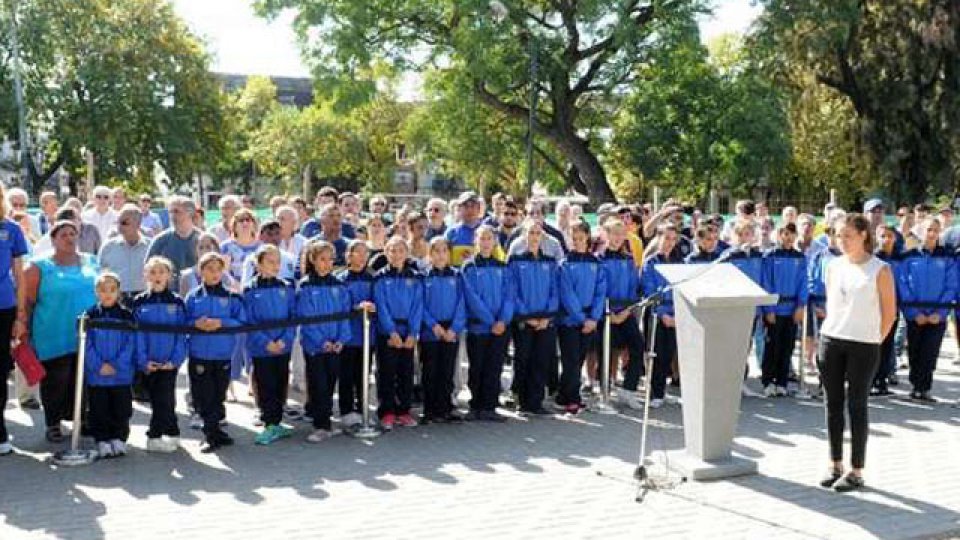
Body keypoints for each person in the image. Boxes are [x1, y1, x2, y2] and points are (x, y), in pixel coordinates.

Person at [817, 213, 896, 492]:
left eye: (848, 235)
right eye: (838, 235)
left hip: (863, 344)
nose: (842, 241)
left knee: (857, 405)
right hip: (831, 339)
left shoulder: (880, 269)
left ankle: (856, 470)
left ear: (863, 235)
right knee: (832, 403)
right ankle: (835, 463)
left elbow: (889, 314)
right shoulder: (833, 266)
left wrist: (874, 340)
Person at [21, 220, 98, 443]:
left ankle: (81, 419)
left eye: (73, 234)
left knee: (83, 379)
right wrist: (23, 328)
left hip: (87, 333)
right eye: (63, 234)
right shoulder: (38, 267)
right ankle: (53, 424)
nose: (69, 238)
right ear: (53, 239)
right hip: (53, 332)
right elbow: (27, 302)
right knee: (57, 380)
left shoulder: (91, 261)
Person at [185, 252, 246, 453]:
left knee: (219, 394)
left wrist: (221, 323)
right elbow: (183, 322)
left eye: (218, 269)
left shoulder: (231, 297)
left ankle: (217, 431)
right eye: (209, 269)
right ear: (201, 271)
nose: (214, 273)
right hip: (199, 354)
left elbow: (241, 321)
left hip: (222, 354)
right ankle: (210, 435)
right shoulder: (193, 297)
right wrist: (196, 324)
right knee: (204, 396)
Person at [297, 240, 352, 442]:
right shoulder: (306, 285)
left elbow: (344, 314)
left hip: (335, 344)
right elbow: (306, 317)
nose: (327, 263)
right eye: (322, 259)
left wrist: (341, 339)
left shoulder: (338, 285)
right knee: (318, 384)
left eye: (330, 259)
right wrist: (321, 341)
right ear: (313, 260)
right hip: (315, 346)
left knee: (329, 383)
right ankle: (320, 425)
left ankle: (326, 420)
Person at [132, 256, 187, 453]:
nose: (157, 276)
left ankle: (161, 434)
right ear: (146, 275)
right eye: (153, 272)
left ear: (169, 276)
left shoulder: (177, 301)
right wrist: (143, 361)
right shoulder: (139, 302)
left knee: (166, 398)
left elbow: (182, 334)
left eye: (162, 272)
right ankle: (164, 434)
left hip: (169, 362)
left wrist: (175, 360)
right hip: (149, 362)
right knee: (158, 399)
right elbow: (137, 336)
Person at [898, 218, 956, 402]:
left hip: (937, 315)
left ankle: (924, 388)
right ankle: (915, 386)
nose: (932, 234)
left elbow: (951, 285)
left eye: (935, 230)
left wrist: (940, 313)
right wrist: (914, 313)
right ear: (920, 232)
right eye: (928, 230)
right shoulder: (909, 256)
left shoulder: (947, 257)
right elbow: (903, 285)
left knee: (930, 352)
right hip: (916, 315)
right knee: (915, 351)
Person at [244, 244, 297, 445]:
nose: (276, 266)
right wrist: (265, 342)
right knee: (265, 384)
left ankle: (278, 422)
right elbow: (249, 320)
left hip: (282, 346)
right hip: (262, 349)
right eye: (270, 262)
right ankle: (269, 422)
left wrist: (284, 339)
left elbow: (293, 317)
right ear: (258, 264)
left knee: (281, 381)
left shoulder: (286, 287)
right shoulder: (250, 289)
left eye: (278, 262)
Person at [461, 225, 513, 422]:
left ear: (495, 242)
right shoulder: (469, 267)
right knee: (477, 366)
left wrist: (502, 320)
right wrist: (491, 321)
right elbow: (471, 298)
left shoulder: (503, 267)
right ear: (475, 241)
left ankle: (490, 406)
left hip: (499, 328)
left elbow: (509, 296)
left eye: (489, 238)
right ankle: (475, 406)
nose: (485, 242)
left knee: (494, 366)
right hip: (479, 327)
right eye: (482, 238)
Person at [508, 219, 559, 416]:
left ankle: (536, 402)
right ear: (524, 236)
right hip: (524, 320)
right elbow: (513, 292)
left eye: (538, 233)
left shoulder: (550, 262)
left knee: (541, 360)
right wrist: (527, 317)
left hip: (545, 321)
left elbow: (555, 291)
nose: (534, 237)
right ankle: (522, 401)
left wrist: (546, 317)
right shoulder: (515, 261)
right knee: (523, 360)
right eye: (531, 233)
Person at [83, 272, 136, 459]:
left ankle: (119, 438)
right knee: (99, 408)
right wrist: (98, 365)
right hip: (97, 375)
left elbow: (130, 343)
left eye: (112, 289)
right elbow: (86, 344)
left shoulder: (126, 315)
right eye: (103, 289)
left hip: (120, 374)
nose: (108, 293)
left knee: (121, 408)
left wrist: (117, 364)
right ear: (97, 291)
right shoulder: (89, 315)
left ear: (118, 292)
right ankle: (102, 439)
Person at [372, 237, 423, 430]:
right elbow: (381, 306)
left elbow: (417, 306)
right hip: (388, 333)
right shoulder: (380, 278)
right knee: (386, 372)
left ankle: (404, 411)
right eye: (392, 250)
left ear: (407, 253)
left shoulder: (415, 278)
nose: (396, 254)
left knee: (406, 372)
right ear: (386, 253)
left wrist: (413, 333)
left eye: (401, 250)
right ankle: (387, 411)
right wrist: (391, 332)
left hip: (407, 333)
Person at [557, 221, 605, 414]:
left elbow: (600, 292)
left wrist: (594, 317)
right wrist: (581, 319)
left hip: (590, 319)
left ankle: (564, 394)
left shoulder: (596, 263)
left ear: (587, 238)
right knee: (570, 360)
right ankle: (572, 398)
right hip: (570, 320)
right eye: (573, 238)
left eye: (580, 238)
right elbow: (567, 294)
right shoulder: (565, 264)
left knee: (579, 359)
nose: (577, 242)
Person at [598, 218, 645, 409]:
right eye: (614, 233)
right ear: (606, 235)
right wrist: (609, 313)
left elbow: (634, 287)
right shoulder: (599, 259)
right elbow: (599, 289)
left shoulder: (628, 259)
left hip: (625, 312)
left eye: (621, 234)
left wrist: (627, 311)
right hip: (606, 313)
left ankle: (629, 389)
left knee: (638, 345)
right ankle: (604, 392)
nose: (618, 238)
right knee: (606, 351)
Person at [419, 238, 466, 424]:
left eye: (444, 250)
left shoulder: (457, 276)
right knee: (430, 370)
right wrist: (433, 325)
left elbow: (462, 303)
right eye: (436, 251)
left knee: (447, 370)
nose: (440, 255)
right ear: (430, 254)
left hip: (451, 328)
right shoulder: (423, 277)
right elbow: (420, 304)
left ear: (449, 254)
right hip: (430, 330)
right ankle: (430, 410)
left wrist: (454, 328)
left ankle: (445, 408)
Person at [760, 223, 807, 397]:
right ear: (779, 235)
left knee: (787, 346)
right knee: (772, 345)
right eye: (785, 234)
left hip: (792, 309)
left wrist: (800, 305)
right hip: (775, 309)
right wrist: (769, 308)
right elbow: (766, 282)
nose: (789, 237)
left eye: (792, 234)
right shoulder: (770, 256)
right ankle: (768, 381)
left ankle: (782, 381)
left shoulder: (800, 258)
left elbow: (803, 282)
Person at [641, 223, 683, 408]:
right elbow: (649, 291)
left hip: (674, 314)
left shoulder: (678, 262)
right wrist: (663, 314)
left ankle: (662, 391)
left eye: (673, 239)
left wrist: (677, 314)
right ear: (658, 238)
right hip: (656, 314)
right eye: (666, 238)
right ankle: (654, 393)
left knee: (668, 353)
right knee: (655, 354)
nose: (670, 243)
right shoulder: (651, 263)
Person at [0, 190, 29, 454]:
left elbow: (20, 275)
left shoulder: (12, 230)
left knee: (0, 371)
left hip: (4, 306)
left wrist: (20, 315)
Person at [336, 240, 376, 429]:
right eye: (357, 253)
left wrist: (373, 307)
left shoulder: (372, 278)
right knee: (346, 375)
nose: (361, 257)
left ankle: (363, 409)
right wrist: (355, 307)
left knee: (363, 374)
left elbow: (378, 300)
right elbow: (340, 305)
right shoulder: (341, 279)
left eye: (365, 253)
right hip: (348, 336)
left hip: (367, 336)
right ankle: (346, 410)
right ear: (349, 255)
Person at [871, 225, 901, 396]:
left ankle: (882, 380)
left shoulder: (900, 258)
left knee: (888, 345)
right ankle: (871, 380)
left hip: (893, 309)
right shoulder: (872, 259)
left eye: (890, 236)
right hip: (874, 309)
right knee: (874, 346)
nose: (886, 239)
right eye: (882, 236)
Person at [99, 204, 149, 302]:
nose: (119, 226)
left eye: (124, 222)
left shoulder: (150, 246)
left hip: (144, 298)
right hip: (116, 298)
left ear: (138, 224)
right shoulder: (108, 247)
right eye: (118, 222)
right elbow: (100, 274)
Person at [148, 196, 200, 284]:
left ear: (190, 213)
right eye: (170, 212)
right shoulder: (160, 241)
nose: (172, 216)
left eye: (176, 211)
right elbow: (148, 268)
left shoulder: (203, 239)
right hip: (168, 290)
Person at [220, 208, 261, 285]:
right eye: (241, 220)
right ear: (234, 226)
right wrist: (238, 287)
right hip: (232, 288)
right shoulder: (226, 247)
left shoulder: (262, 247)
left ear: (254, 225)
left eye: (248, 220)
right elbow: (224, 272)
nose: (245, 223)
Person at [445, 192, 485, 266]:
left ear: (479, 209)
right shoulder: (451, 232)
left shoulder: (488, 232)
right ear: (459, 209)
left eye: (473, 206)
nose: (469, 210)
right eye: (466, 206)